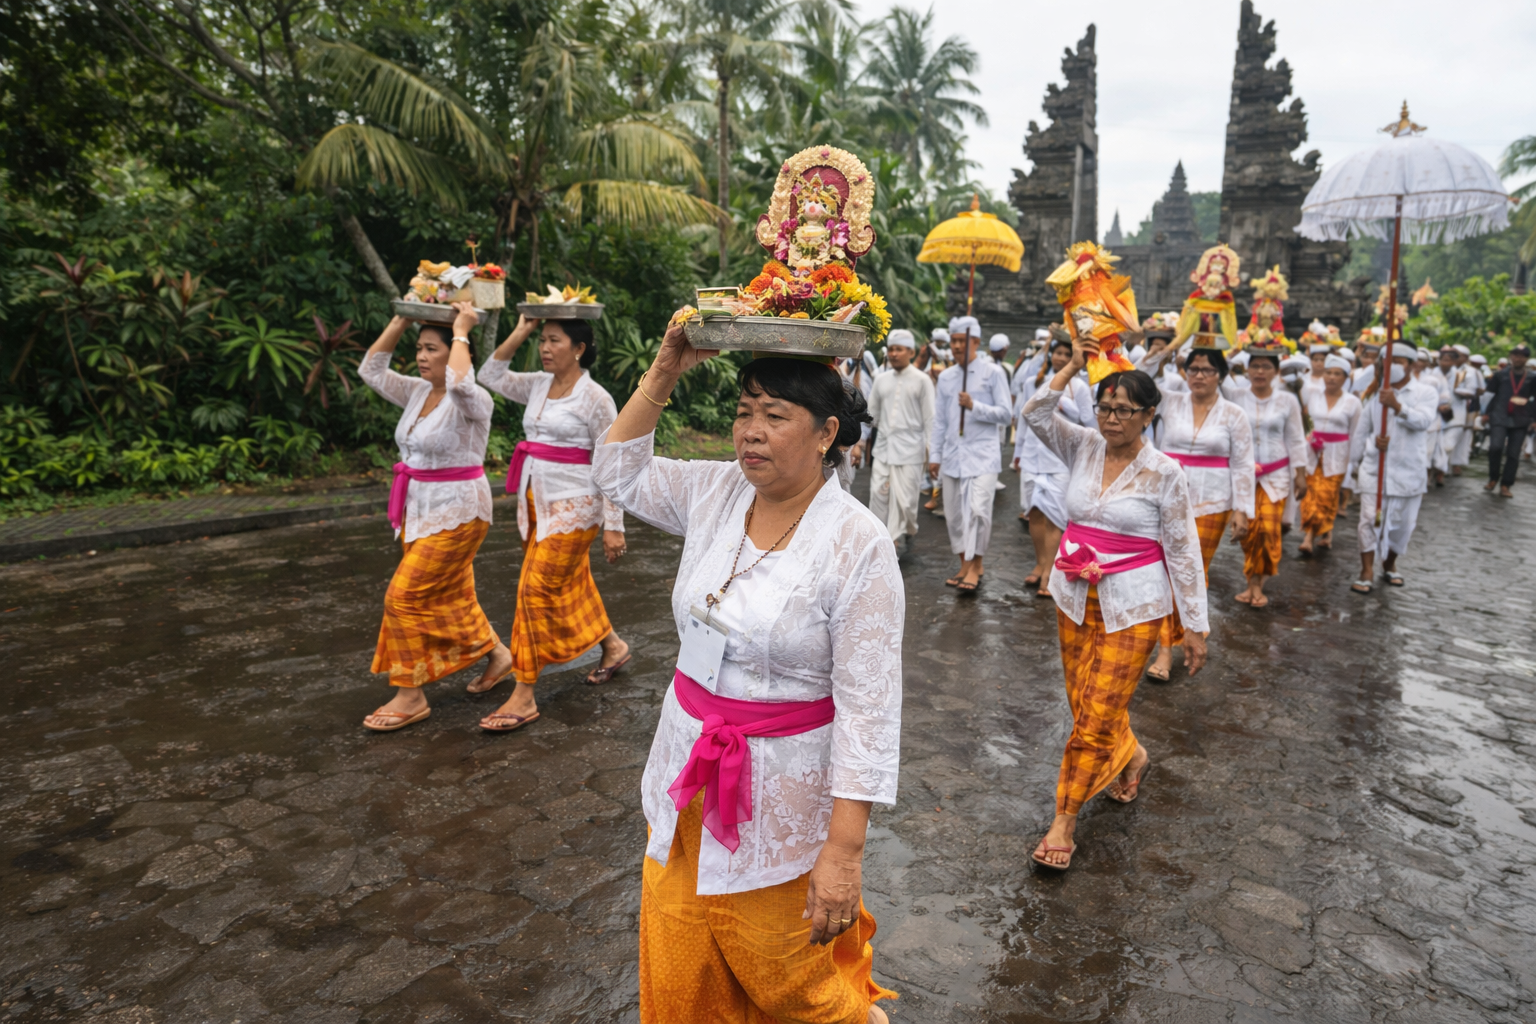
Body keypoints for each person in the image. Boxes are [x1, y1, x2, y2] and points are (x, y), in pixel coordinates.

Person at [595, 323, 901, 1024]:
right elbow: (613, 471)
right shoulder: (714, 493)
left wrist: (844, 854)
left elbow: (870, 710)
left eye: (774, 416)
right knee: (679, 958)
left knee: (789, 983)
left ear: (826, 434)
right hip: (687, 768)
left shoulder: (858, 545)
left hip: (781, 793)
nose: (750, 433)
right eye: (742, 412)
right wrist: (664, 367)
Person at [1022, 336, 1209, 870]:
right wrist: (1072, 368)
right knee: (1084, 703)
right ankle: (1134, 756)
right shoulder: (1082, 444)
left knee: (1097, 715)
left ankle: (1064, 820)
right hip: (1075, 595)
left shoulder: (1164, 472)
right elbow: (1035, 414)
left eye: (1124, 411)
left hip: (1136, 606)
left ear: (1149, 415)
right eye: (1104, 407)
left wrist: (1193, 626)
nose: (1111, 419)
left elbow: (1182, 548)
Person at [476, 314, 631, 731]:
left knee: (534, 591)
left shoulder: (596, 398)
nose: (544, 348)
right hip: (536, 502)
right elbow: (490, 372)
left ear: (578, 348)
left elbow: (611, 462)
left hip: (577, 508)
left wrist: (614, 524)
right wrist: (523, 328)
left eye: (553, 340)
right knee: (570, 583)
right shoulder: (537, 385)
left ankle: (524, 692)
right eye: (542, 340)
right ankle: (613, 646)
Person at [357, 304, 507, 731]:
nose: (421, 356)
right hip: (418, 509)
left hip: (459, 511)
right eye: (418, 349)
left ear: (456, 352)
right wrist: (404, 315)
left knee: (403, 598)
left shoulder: (474, 399)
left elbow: (460, 382)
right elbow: (371, 369)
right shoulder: (418, 391)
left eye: (431, 349)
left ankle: (411, 695)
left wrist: (462, 328)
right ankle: (497, 654)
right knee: (451, 596)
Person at [1142, 347, 1254, 680]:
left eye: (1207, 370)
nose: (1199, 376)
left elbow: (1244, 463)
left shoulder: (1234, 414)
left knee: (1190, 570)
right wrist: (1155, 356)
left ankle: (1172, 645)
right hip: (1166, 498)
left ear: (1221, 374)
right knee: (1164, 570)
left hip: (1212, 502)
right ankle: (1165, 645)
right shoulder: (1171, 400)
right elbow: (1137, 382)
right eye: (1193, 369)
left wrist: (1243, 510)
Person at [929, 316, 1014, 592]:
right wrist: (935, 455)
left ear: (976, 342)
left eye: (962, 341)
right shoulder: (947, 377)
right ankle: (964, 565)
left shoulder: (993, 373)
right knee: (954, 516)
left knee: (978, 511)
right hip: (953, 456)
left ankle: (976, 564)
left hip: (983, 456)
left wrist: (974, 405)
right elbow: (940, 421)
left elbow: (1005, 414)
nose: (956, 346)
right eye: (953, 341)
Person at [1349, 345, 1438, 592]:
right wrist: (1360, 456)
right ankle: (1366, 570)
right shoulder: (1372, 393)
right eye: (1386, 362)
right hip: (1374, 470)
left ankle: (1389, 565)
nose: (1391, 367)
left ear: (1411, 364)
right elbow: (1362, 431)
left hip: (1408, 473)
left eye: (1397, 362)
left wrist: (1397, 406)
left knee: (1402, 525)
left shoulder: (1425, 392)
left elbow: (1423, 422)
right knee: (1369, 520)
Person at [1013, 337, 1094, 596]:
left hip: (1059, 459)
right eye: (1057, 353)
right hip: (1032, 455)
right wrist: (1018, 453)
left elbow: (1087, 419)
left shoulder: (1079, 387)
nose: (1060, 357)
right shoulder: (1034, 382)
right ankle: (1040, 562)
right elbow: (1024, 419)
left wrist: (1060, 403)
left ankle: (1050, 571)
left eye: (1065, 354)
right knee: (1034, 512)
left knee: (1055, 516)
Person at [1229, 344, 1308, 608]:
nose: (1259, 371)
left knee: (1267, 530)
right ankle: (1253, 580)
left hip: (1276, 475)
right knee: (1248, 530)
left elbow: (1296, 439)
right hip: (1243, 474)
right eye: (1255, 366)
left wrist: (1300, 474)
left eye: (1266, 366)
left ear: (1276, 372)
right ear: (1247, 369)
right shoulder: (1236, 396)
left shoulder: (1288, 400)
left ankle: (1255, 585)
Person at [866, 329, 936, 554]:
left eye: (899, 349)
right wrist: (858, 442)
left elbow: (930, 418)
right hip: (884, 447)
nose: (894, 354)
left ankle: (905, 529)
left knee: (904, 502)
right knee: (878, 493)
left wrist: (933, 454)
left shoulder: (922, 380)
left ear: (911, 352)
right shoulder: (881, 379)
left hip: (910, 450)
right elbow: (870, 416)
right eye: (892, 349)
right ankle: (886, 539)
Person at [1298, 354, 1362, 555]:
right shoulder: (1312, 394)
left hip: (1338, 454)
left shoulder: (1352, 402)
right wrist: (1308, 438)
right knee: (1310, 493)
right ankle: (1315, 533)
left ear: (1345, 378)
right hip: (1312, 452)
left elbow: (1355, 433)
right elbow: (1305, 420)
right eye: (1328, 373)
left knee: (1328, 494)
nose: (1332, 377)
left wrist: (1353, 461)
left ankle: (1316, 533)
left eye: (1337, 374)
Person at [1484, 344, 1536, 498]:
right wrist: (1486, 413)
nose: (1517, 358)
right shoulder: (1501, 375)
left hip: (1521, 419)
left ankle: (1506, 484)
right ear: (1510, 356)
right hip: (1499, 416)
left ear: (1526, 359)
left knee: (1513, 454)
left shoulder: (1532, 377)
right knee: (1495, 447)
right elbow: (1490, 395)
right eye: (1515, 355)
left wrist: (1534, 419)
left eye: (1521, 356)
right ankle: (1493, 478)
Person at [1441, 345, 1481, 475]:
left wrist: (1458, 391)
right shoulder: (1441, 369)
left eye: (1456, 354)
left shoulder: (1471, 372)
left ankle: (1456, 463)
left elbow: (1477, 390)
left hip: (1463, 408)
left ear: (1465, 358)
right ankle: (1440, 468)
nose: (1453, 357)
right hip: (1440, 410)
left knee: (1462, 437)